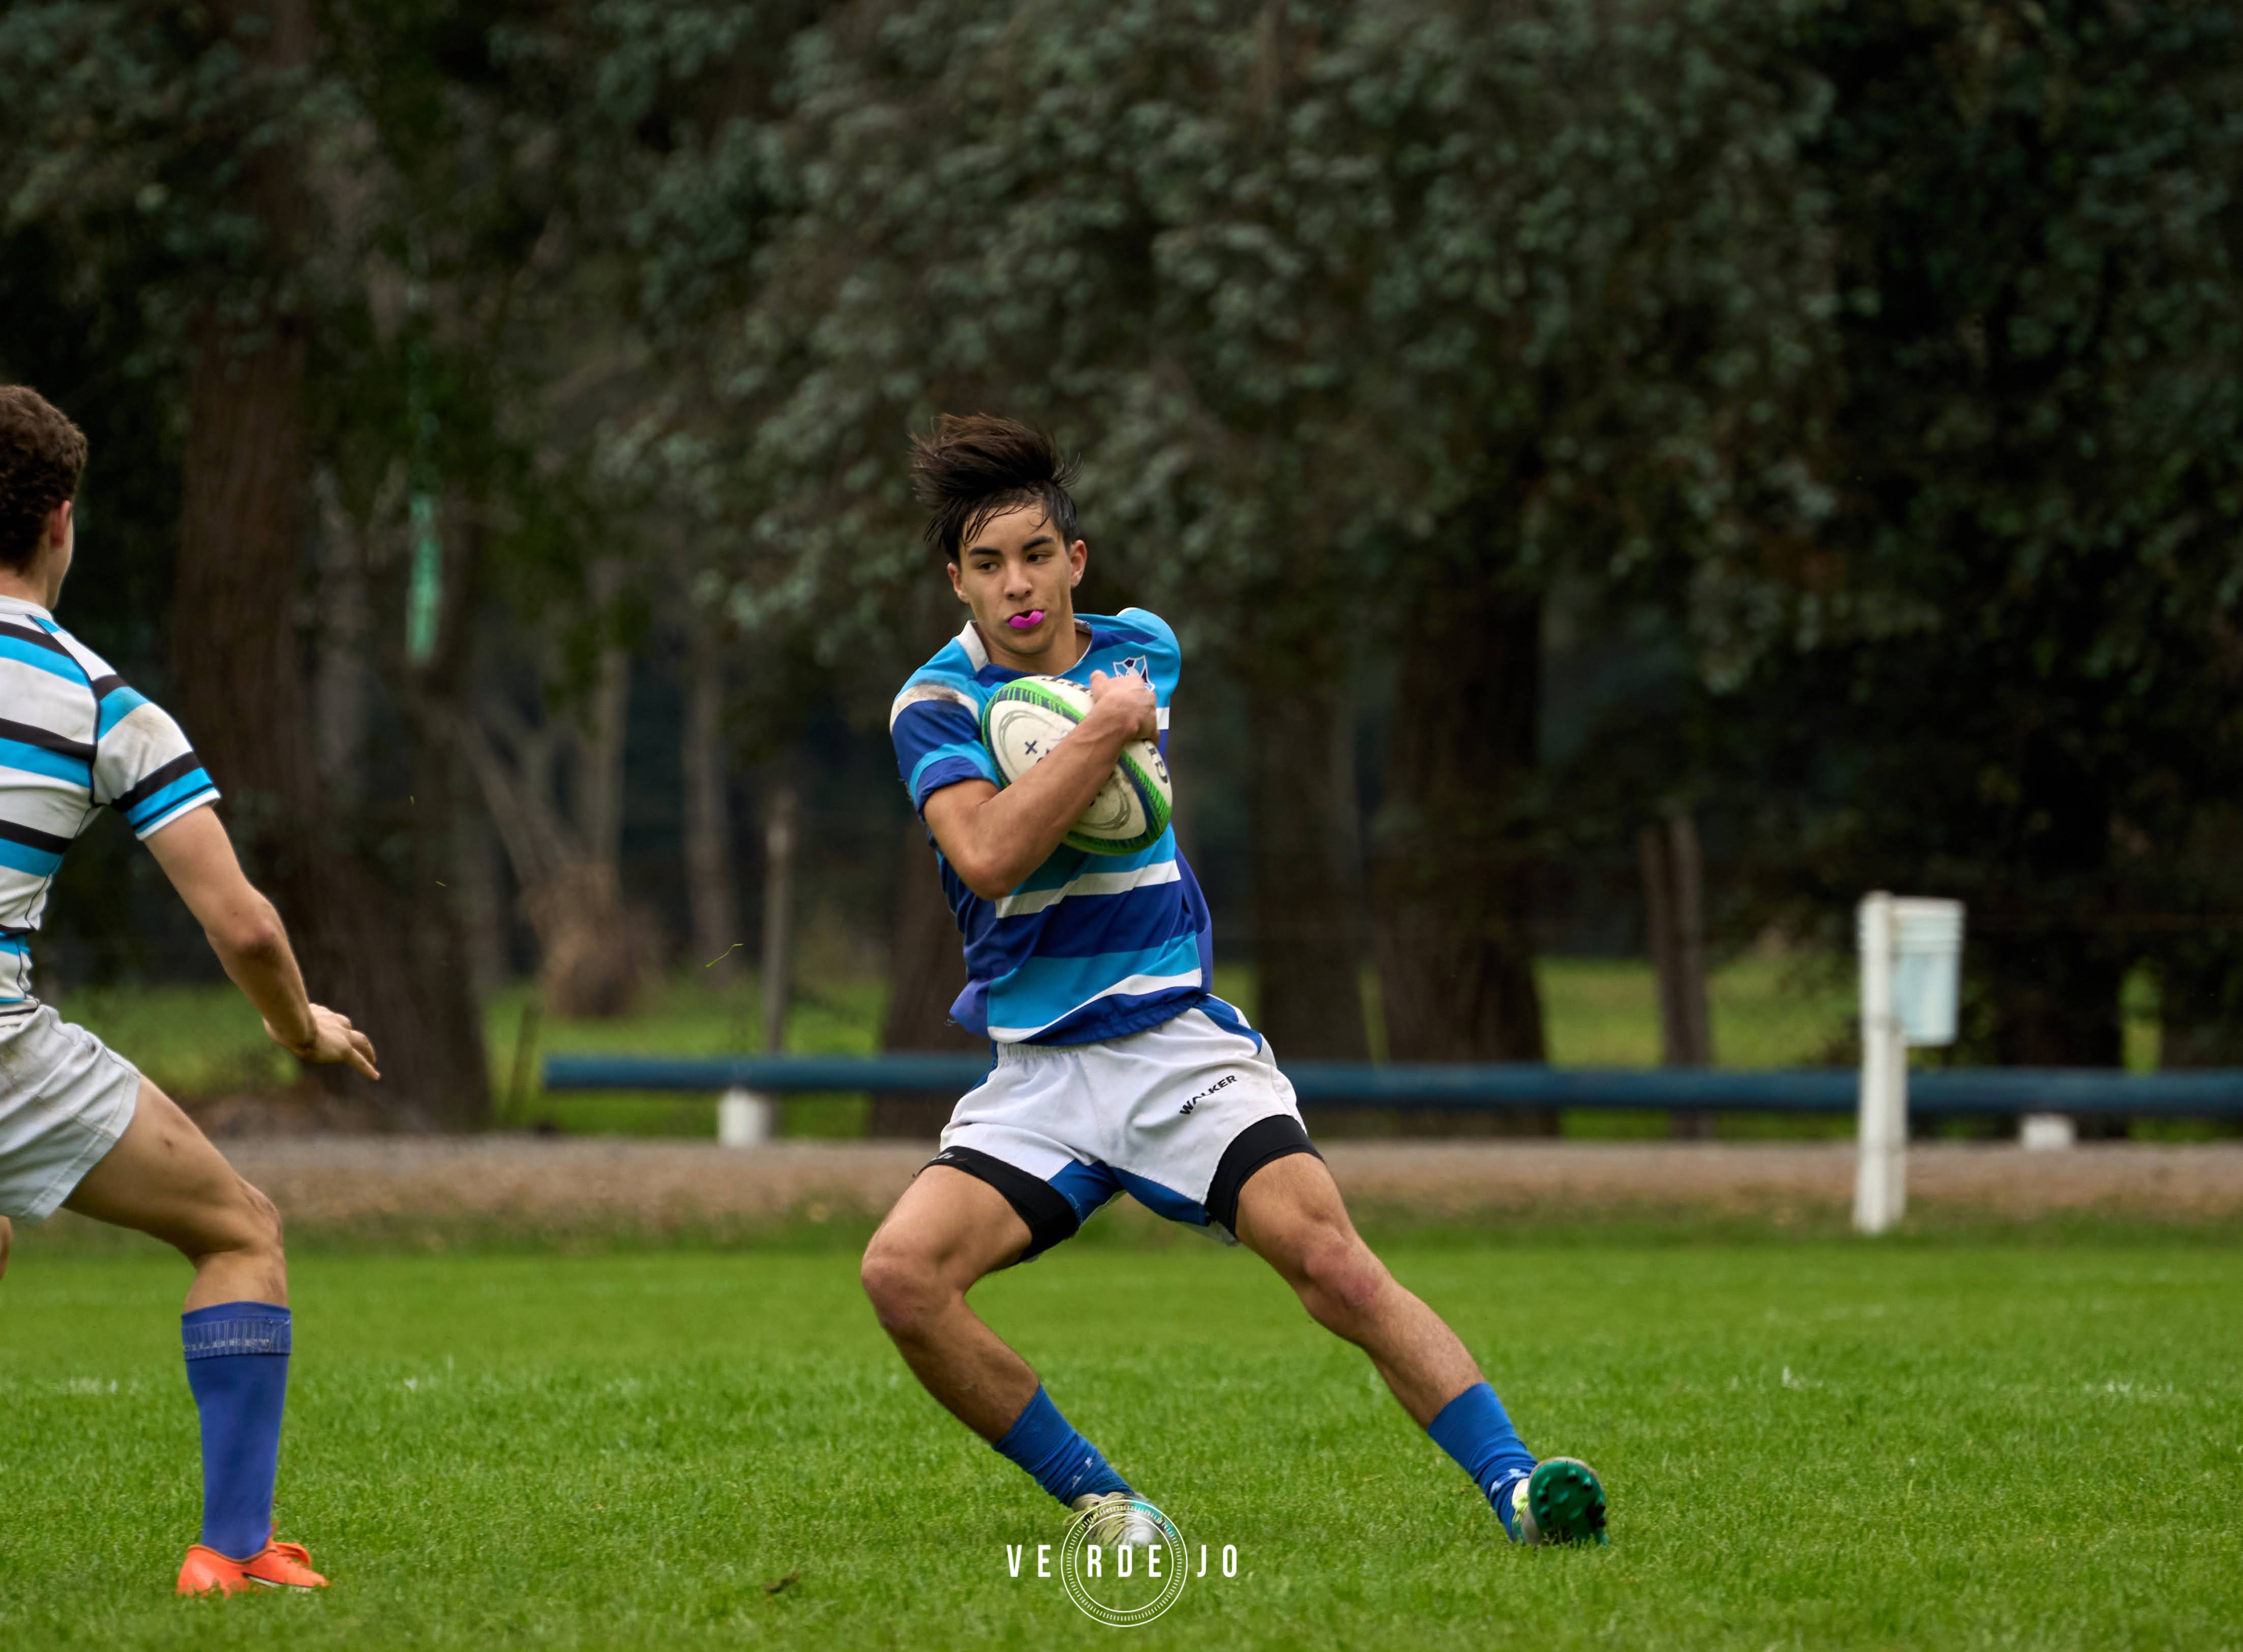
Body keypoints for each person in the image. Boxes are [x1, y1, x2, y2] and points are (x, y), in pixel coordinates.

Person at [863, 414, 1607, 1547]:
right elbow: (991, 854)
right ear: (954, 582)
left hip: (1176, 1049)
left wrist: (1109, 720)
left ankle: (1518, 1487)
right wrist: (1104, 732)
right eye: (987, 562)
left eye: (1036, 554)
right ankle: (1109, 1505)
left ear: (1076, 559)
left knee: (1334, 1264)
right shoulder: (931, 705)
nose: (1016, 585)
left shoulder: (1139, 652)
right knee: (902, 1275)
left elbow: (1096, 776)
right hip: (1040, 1076)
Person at [0, 384, 379, 1595]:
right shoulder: (98, 700)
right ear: (60, 520)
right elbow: (244, 922)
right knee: (238, 1229)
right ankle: (232, 1547)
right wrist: (297, 1026)